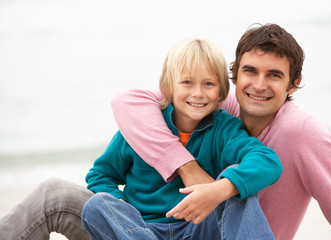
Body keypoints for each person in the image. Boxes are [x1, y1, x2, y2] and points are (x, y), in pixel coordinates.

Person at [110, 24, 331, 240]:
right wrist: (186, 168)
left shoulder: (304, 133)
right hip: (195, 231)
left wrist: (221, 188)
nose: (259, 85)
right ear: (234, 75)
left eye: (274, 75)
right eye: (250, 71)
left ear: (293, 84)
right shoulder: (220, 104)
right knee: (83, 203)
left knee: (236, 181)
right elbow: (127, 102)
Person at [81, 38, 282, 240]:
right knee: (96, 205)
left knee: (236, 180)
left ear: (221, 91)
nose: (198, 93)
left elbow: (266, 160)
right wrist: (122, 206)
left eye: (208, 84)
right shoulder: (142, 128)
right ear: (168, 87)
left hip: (198, 229)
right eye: (187, 82)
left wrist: (221, 189)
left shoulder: (225, 129)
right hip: (142, 230)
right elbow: (101, 175)